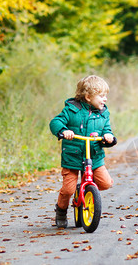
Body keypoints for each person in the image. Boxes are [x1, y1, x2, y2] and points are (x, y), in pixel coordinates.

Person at [49, 75, 115, 228]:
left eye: (106, 96)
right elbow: (55, 122)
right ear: (88, 96)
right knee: (68, 190)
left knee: (105, 183)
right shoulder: (72, 110)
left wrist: (108, 137)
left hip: (94, 157)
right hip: (72, 157)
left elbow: (107, 129)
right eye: (101, 96)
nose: (105, 99)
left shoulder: (103, 113)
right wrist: (63, 130)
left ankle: (87, 190)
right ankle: (61, 210)